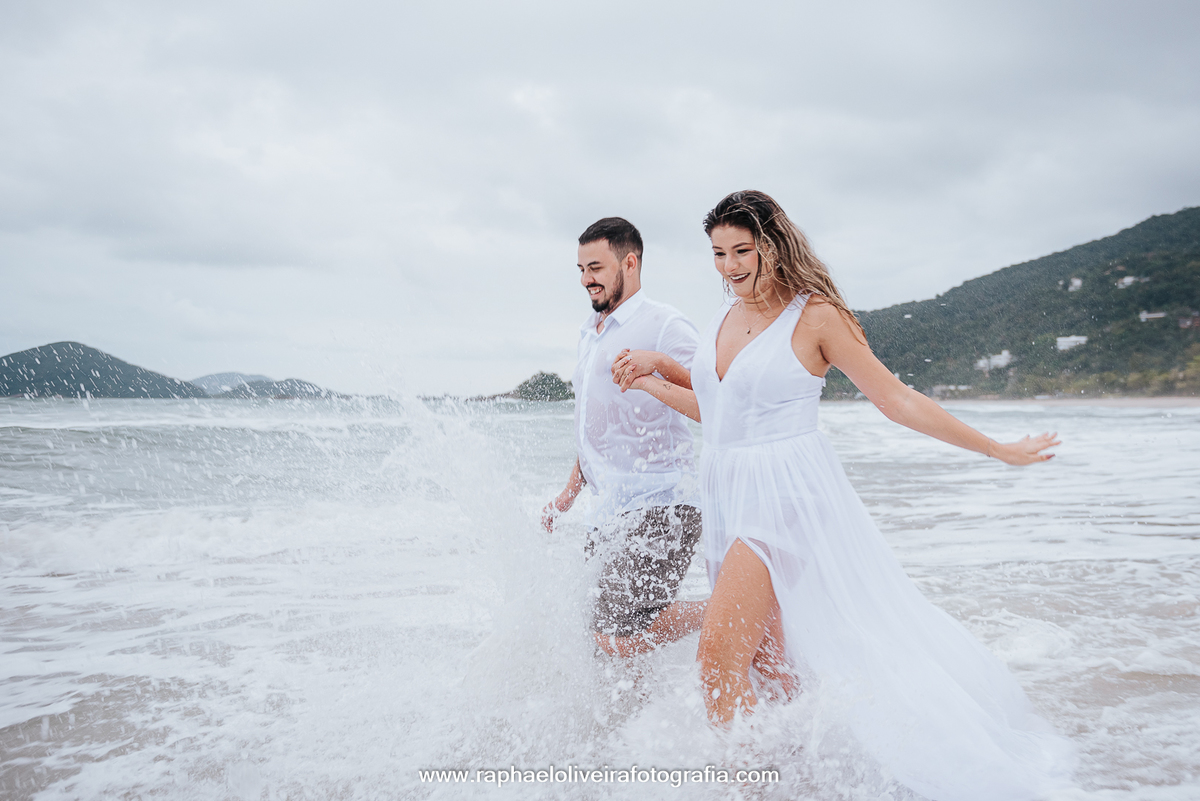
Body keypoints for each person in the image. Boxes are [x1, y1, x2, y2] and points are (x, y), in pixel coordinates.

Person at [611, 191, 1075, 800]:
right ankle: (801, 779)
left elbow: (898, 400)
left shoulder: (816, 316)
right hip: (727, 491)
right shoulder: (724, 318)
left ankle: (746, 788)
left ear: (774, 244)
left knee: (716, 654)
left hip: (785, 496)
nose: (729, 266)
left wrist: (997, 449)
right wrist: (653, 377)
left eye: (742, 251)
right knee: (769, 668)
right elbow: (722, 414)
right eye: (719, 253)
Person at [542, 217, 706, 658]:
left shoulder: (665, 324)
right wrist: (568, 494)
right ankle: (636, 726)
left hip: (662, 503)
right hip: (608, 511)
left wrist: (655, 367)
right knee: (602, 649)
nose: (585, 279)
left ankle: (735, 610)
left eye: (594, 267)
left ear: (629, 263)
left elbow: (713, 398)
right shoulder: (589, 333)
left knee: (616, 636)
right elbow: (595, 426)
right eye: (580, 269)